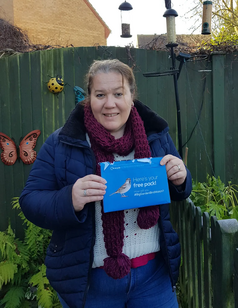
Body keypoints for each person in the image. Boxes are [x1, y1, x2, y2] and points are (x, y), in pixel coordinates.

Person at [20, 59, 192, 308]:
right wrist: (70, 199)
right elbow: (31, 200)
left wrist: (181, 178)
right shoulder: (63, 142)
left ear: (131, 96)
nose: (109, 103)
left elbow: (181, 190)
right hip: (91, 284)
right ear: (88, 97)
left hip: (153, 278)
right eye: (100, 94)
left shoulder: (156, 135)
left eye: (118, 93)